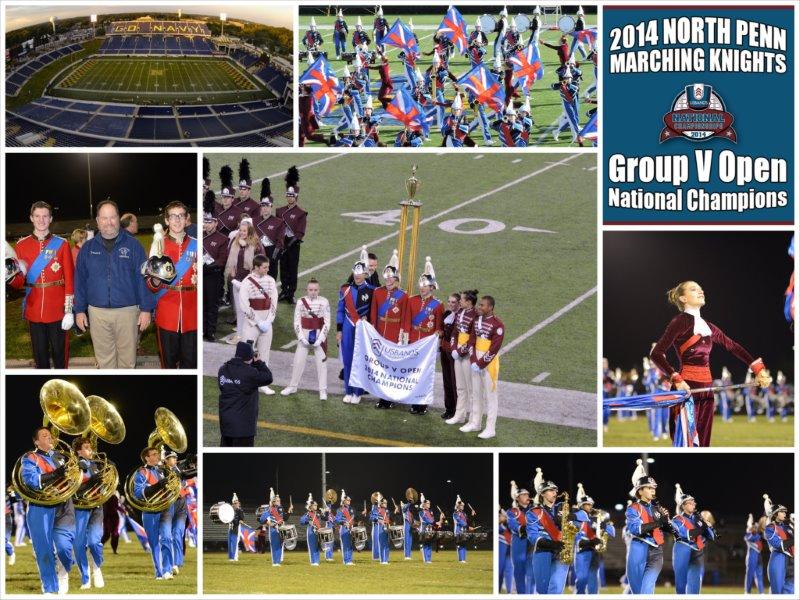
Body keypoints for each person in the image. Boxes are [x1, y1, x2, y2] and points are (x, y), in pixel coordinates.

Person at [649, 280, 772, 446]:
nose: (701, 291)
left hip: (707, 390)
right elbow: (656, 354)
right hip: (687, 389)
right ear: (683, 298)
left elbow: (733, 347)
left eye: (701, 289)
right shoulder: (680, 321)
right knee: (686, 443)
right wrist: (676, 378)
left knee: (704, 444)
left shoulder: (709, 327)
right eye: (694, 289)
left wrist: (758, 369)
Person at [74, 199, 154, 368]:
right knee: (104, 362)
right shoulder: (87, 249)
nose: (109, 222)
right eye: (104, 218)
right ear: (97, 221)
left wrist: (146, 309)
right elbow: (80, 282)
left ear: (118, 218)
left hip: (127, 312)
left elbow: (143, 279)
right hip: (97, 313)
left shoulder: (134, 246)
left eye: (112, 217)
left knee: (127, 362)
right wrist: (79, 310)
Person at [8, 201, 75, 368]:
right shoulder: (21, 245)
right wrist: (8, 277)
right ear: (31, 218)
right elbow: (18, 283)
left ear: (51, 219)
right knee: (40, 356)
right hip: (34, 309)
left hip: (58, 309)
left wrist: (69, 310)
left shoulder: (62, 244)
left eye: (45, 216)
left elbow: (70, 279)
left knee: (60, 354)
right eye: (37, 216)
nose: (41, 220)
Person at [20, 427, 75, 594]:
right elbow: (30, 480)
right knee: (43, 549)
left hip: (63, 505)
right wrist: (55, 474)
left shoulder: (60, 457)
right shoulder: (30, 458)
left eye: (50, 435)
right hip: (40, 506)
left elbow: (72, 479)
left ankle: (63, 573)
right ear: (36, 441)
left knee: (65, 547)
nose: (49, 437)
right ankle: (50, 588)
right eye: (44, 436)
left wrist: (82, 469)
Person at [146, 201, 198, 369]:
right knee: (168, 363)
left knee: (190, 363)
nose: (177, 220)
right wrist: (155, 280)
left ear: (187, 219)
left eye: (181, 215)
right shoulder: (158, 245)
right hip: (167, 311)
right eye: (173, 216)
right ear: (166, 221)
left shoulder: (197, 244)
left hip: (192, 313)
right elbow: (150, 285)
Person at [460, 295, 505, 439]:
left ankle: (490, 428)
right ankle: (475, 423)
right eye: (479, 305)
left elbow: (494, 348)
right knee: (476, 393)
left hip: (489, 364)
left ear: (490, 307)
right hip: (476, 360)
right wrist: (473, 359)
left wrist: (480, 363)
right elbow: (472, 341)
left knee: (490, 396)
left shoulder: (498, 325)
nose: (479, 307)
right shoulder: (476, 320)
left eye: (483, 305)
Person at [404, 257, 444, 415]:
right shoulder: (412, 300)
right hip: (414, 342)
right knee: (413, 372)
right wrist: (405, 339)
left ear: (432, 287)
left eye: (425, 285)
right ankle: (414, 399)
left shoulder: (438, 304)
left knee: (425, 374)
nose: (422, 288)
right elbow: (407, 320)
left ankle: (422, 402)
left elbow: (439, 327)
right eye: (421, 285)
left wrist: (437, 341)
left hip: (427, 345)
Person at [625, 459, 671, 594]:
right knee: (637, 592)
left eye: (654, 488)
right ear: (640, 491)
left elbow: (667, 529)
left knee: (646, 591)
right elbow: (636, 529)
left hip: (657, 551)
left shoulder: (657, 508)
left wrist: (667, 522)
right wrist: (659, 522)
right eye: (649, 488)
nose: (653, 490)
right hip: (638, 548)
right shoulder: (633, 509)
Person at [337, 246, 376, 405]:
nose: (357, 276)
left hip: (363, 328)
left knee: (360, 360)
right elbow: (340, 310)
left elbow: (374, 311)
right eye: (355, 273)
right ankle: (349, 390)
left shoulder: (373, 290)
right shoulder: (345, 289)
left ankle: (358, 391)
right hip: (347, 326)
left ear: (366, 274)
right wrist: (339, 330)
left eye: (360, 273)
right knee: (347, 360)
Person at [281, 278, 330, 400]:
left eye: (315, 290)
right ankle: (293, 386)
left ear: (319, 290)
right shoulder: (300, 302)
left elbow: (327, 323)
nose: (313, 292)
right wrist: (301, 337)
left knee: (321, 364)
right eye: (310, 290)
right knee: (298, 362)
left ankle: (322, 390)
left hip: (319, 336)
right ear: (306, 290)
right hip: (304, 335)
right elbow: (297, 321)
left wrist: (321, 339)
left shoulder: (324, 302)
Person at [527, 468, 574, 594]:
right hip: (543, 551)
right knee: (543, 590)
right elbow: (532, 536)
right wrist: (551, 544)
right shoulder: (534, 512)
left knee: (556, 588)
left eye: (555, 490)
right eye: (550, 490)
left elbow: (576, 524)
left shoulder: (563, 509)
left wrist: (572, 519)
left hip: (561, 552)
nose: (554, 492)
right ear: (542, 493)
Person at [371, 250, 408, 409]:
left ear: (397, 279)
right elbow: (373, 313)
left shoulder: (403, 295)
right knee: (381, 367)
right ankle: (382, 396)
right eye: (386, 277)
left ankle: (390, 397)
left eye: (391, 277)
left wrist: (402, 336)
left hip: (394, 335)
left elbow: (405, 317)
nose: (388, 280)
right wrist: (373, 332)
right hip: (380, 334)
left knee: (392, 368)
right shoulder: (377, 292)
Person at [217, 342, 274, 446]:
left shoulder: (222, 370)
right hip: (243, 429)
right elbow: (268, 377)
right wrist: (259, 362)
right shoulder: (250, 373)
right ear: (250, 357)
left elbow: (223, 386)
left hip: (226, 426)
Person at [237, 255, 279, 395]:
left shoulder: (271, 280)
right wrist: (258, 321)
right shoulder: (247, 282)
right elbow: (244, 306)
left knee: (264, 353)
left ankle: (263, 384)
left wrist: (268, 321)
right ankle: (243, 381)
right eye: (265, 267)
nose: (268, 269)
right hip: (251, 324)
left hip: (266, 322)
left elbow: (274, 302)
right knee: (246, 354)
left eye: (268, 267)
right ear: (256, 267)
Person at [132, 446, 174, 580]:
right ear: (147, 458)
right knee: (154, 542)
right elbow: (139, 493)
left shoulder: (161, 471)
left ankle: (168, 570)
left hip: (165, 509)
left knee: (167, 537)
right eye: (154, 454)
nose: (157, 456)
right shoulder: (141, 473)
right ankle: (159, 572)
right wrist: (157, 486)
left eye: (157, 454)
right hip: (150, 511)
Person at [224, 218, 265, 345]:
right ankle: (240, 334)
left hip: (251, 281)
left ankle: (253, 336)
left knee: (251, 310)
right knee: (239, 309)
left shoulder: (256, 244)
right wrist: (231, 273)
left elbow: (261, 263)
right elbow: (229, 257)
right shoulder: (234, 242)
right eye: (240, 230)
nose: (242, 233)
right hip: (237, 280)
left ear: (250, 231)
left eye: (244, 231)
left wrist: (252, 278)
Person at [72, 437, 105, 590]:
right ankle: (85, 577)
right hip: (79, 508)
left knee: (94, 542)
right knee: (79, 544)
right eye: (86, 447)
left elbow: (104, 488)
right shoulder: (73, 465)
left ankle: (97, 569)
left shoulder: (96, 465)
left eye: (90, 447)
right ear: (78, 450)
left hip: (97, 507)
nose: (90, 450)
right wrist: (90, 482)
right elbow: (72, 489)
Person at [671, 484, 715, 594]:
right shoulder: (677, 520)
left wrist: (707, 525)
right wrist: (702, 528)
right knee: (681, 585)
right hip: (682, 550)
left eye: (693, 502)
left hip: (697, 552)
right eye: (690, 502)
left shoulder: (698, 519)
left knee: (695, 585)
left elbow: (712, 536)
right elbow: (686, 535)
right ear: (683, 505)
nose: (693, 504)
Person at [574, 484, 615, 594]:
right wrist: (591, 541)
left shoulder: (597, 518)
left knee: (593, 581)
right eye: (585, 505)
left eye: (589, 504)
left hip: (594, 552)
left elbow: (613, 533)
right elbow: (577, 540)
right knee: (582, 579)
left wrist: (605, 524)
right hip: (582, 552)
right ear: (581, 506)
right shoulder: (576, 519)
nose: (588, 507)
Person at [276, 167, 308, 304]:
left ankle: (291, 292)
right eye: (288, 195)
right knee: (283, 267)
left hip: (293, 245)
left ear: (296, 197)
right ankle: (284, 290)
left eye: (292, 196)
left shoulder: (301, 213)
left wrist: (289, 245)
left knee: (292, 268)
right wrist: (281, 243)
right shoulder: (279, 211)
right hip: (282, 242)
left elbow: (300, 232)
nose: (290, 197)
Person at [202, 196, 229, 342]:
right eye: (205, 221)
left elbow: (221, 260)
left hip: (213, 277)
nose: (206, 224)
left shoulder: (223, 239)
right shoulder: (199, 237)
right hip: (201, 276)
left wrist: (207, 267)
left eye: (209, 222)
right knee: (201, 304)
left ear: (216, 222)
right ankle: (202, 329)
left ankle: (210, 331)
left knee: (212, 304)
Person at [762, 494, 794, 595]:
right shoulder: (770, 528)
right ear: (775, 514)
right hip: (778, 559)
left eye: (785, 512)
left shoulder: (788, 526)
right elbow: (779, 545)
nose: (785, 513)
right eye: (781, 511)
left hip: (792, 560)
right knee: (777, 593)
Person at [254, 178, 285, 281]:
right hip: (257, 253)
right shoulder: (254, 221)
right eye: (263, 206)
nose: (265, 208)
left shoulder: (278, 222)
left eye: (267, 206)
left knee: (270, 280)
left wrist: (273, 257)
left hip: (271, 253)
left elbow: (280, 241)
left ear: (271, 206)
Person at [507, 481, 533, 593]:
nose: (527, 496)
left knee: (532, 573)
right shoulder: (512, 511)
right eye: (524, 495)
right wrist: (522, 528)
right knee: (519, 572)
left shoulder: (535, 510)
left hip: (533, 543)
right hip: (519, 542)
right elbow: (512, 525)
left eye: (527, 494)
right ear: (517, 498)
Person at [165, 452, 187, 574]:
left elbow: (186, 474)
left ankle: (177, 562)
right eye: (171, 458)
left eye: (175, 458)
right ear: (166, 460)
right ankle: (171, 562)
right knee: (168, 535)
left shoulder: (179, 469)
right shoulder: (162, 471)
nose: (174, 459)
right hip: (169, 504)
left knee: (178, 533)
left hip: (181, 504)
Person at [258, 488, 291, 566]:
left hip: (281, 528)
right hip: (273, 529)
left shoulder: (281, 509)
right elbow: (262, 519)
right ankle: (275, 562)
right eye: (278, 501)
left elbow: (285, 518)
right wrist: (268, 522)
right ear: (273, 502)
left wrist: (289, 511)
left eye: (279, 500)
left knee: (280, 545)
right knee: (274, 545)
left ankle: (278, 562)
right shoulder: (270, 509)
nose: (279, 502)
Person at [440, 293, 460, 419]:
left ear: (459, 303)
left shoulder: (461, 317)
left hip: (455, 353)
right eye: (449, 301)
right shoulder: (447, 314)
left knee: (455, 382)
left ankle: (458, 411)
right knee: (447, 380)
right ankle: (449, 408)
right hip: (444, 351)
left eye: (453, 302)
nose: (451, 304)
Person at [418, 494, 444, 563]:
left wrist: (440, 520)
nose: (429, 504)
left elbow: (433, 521)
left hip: (430, 530)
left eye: (429, 503)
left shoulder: (430, 512)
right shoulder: (421, 512)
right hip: (423, 530)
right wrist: (436, 523)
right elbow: (427, 520)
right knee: (425, 545)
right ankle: (426, 559)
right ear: (424, 504)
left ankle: (429, 560)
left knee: (429, 545)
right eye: (428, 503)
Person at [744, 513, 765, 594]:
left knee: (759, 575)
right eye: (754, 527)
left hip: (759, 557)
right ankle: (747, 591)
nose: (755, 528)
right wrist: (750, 526)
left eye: (756, 527)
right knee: (749, 575)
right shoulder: (748, 536)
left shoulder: (758, 535)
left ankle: (761, 592)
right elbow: (751, 537)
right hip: (751, 557)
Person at [299, 494, 323, 566]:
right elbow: (302, 521)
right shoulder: (308, 514)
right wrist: (307, 519)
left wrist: (326, 512)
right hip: (311, 531)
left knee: (317, 547)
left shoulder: (318, 514)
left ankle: (317, 561)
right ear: (311, 506)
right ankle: (313, 561)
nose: (316, 506)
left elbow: (326, 518)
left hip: (318, 531)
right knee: (312, 546)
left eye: (316, 505)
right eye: (315, 505)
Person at [370, 493, 392, 564]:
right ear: (381, 503)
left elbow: (388, 519)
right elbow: (371, 517)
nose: (386, 504)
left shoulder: (387, 511)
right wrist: (378, 520)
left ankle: (386, 559)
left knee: (387, 544)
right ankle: (382, 560)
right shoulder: (377, 509)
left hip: (386, 528)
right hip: (380, 528)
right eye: (384, 503)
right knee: (382, 544)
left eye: (386, 503)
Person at [335, 490, 355, 565]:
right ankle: (346, 561)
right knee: (345, 544)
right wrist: (343, 522)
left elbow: (352, 518)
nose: (349, 501)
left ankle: (350, 560)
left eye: (350, 500)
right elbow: (337, 519)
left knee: (350, 545)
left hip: (350, 528)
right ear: (344, 501)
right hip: (344, 528)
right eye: (347, 500)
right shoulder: (340, 509)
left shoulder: (351, 509)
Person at [453, 495, 475, 563]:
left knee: (464, 545)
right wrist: (468, 527)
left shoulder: (464, 514)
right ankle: (460, 559)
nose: (462, 506)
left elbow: (467, 522)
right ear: (458, 506)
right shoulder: (455, 513)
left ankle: (463, 559)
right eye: (461, 505)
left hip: (464, 531)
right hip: (458, 531)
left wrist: (472, 515)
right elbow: (460, 521)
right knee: (460, 545)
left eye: (463, 505)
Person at [228, 493, 244, 561]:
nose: (235, 504)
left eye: (236, 503)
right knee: (230, 542)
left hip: (236, 527)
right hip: (230, 527)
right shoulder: (230, 510)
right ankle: (231, 557)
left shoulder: (240, 510)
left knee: (235, 542)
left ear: (238, 503)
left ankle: (235, 557)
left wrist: (241, 520)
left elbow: (242, 518)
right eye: (234, 503)